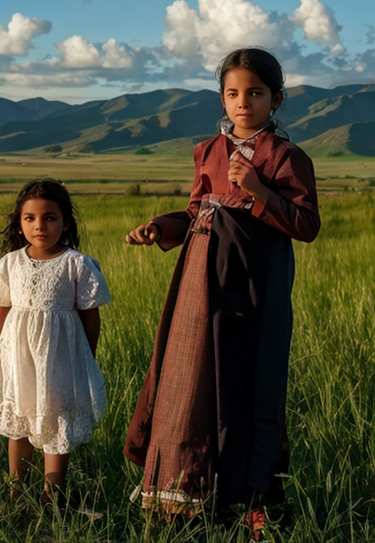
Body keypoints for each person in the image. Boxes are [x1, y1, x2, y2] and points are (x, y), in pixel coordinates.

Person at [123, 47, 320, 530]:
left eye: (254, 93)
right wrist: (161, 227)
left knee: (248, 379)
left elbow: (307, 225)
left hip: (255, 288)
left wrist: (258, 191)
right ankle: (187, 492)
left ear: (277, 99)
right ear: (222, 98)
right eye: (232, 93)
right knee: (192, 377)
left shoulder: (288, 157)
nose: (242, 102)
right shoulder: (207, 151)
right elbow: (197, 211)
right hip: (200, 282)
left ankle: (255, 495)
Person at [0, 178, 111, 505]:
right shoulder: (10, 263)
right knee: (18, 422)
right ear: (19, 224)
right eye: (30, 218)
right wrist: (4, 353)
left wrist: (85, 358)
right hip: (17, 358)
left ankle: (53, 498)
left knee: (55, 419)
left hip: (60, 358)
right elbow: (1, 309)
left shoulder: (78, 264)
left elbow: (91, 316)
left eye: (50, 217)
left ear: (66, 222)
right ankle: (16, 494)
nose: (40, 226)